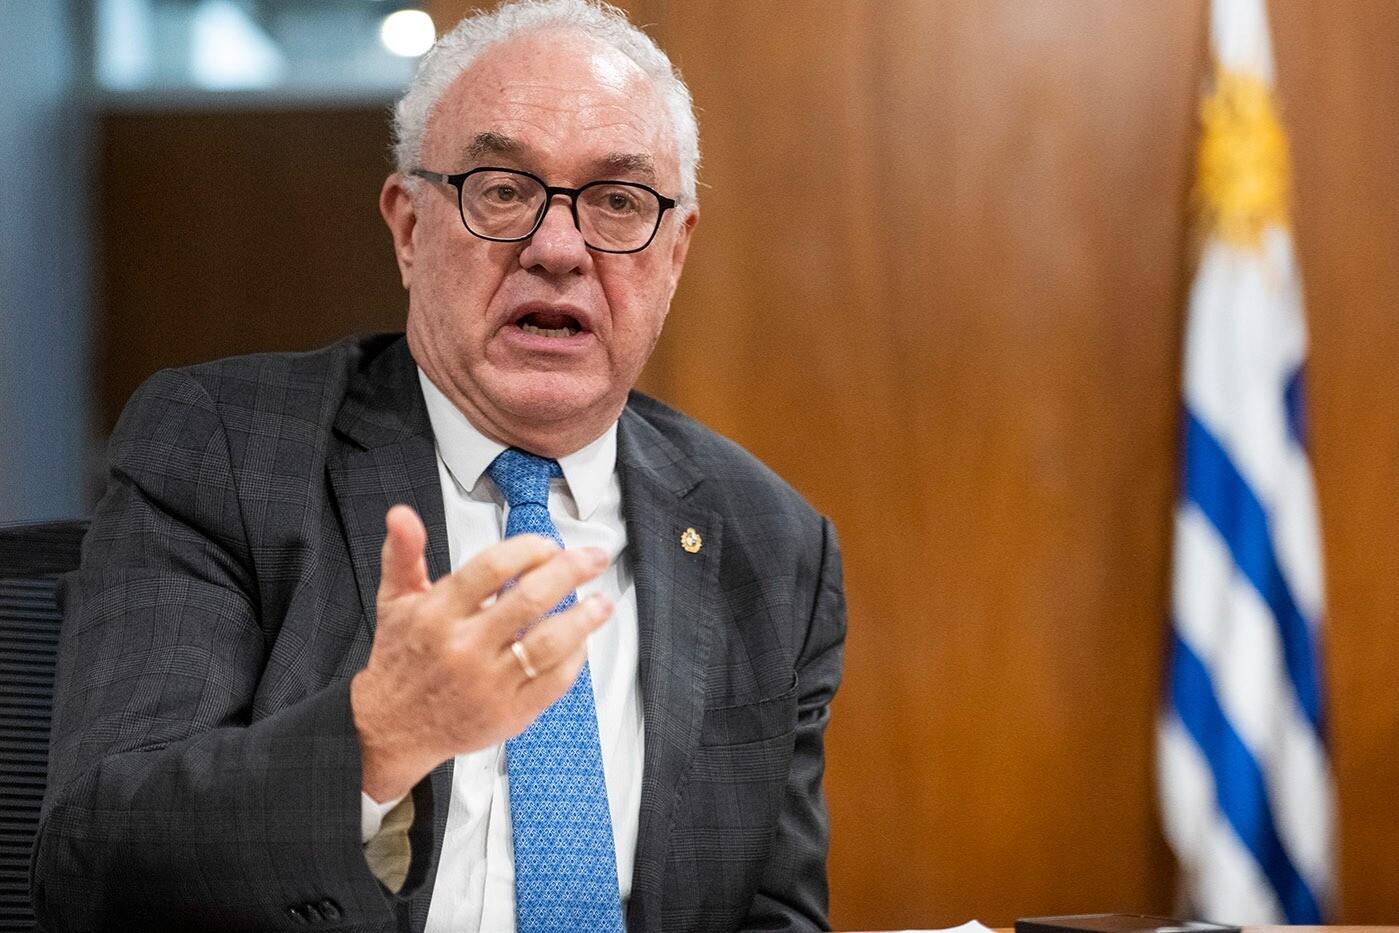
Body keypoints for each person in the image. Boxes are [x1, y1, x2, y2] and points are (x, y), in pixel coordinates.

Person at [32, 1, 846, 930]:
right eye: (501, 190)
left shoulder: (769, 541)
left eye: (618, 202)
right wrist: (379, 735)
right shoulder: (226, 450)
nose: (558, 249)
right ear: (409, 229)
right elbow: (94, 865)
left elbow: (775, 913)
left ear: (675, 252)